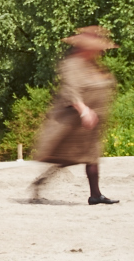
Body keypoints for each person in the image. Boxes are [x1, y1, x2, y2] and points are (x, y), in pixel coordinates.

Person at [29, 25, 119, 205]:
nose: (98, 51)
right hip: (74, 120)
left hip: (92, 122)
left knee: (92, 156)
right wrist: (84, 110)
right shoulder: (72, 64)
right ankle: (41, 182)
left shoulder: (94, 66)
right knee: (68, 158)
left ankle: (95, 195)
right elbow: (70, 90)